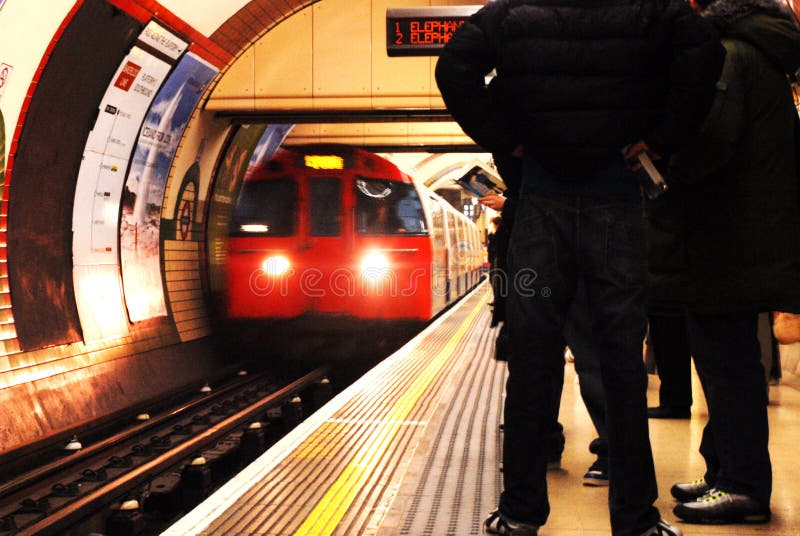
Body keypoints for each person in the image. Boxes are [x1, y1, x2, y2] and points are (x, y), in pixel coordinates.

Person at [436, 1, 725, 535]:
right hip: (615, 195)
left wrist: (507, 137)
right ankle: (635, 519)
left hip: (542, 194)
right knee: (621, 365)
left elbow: (452, 67)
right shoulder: (649, 10)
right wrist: (661, 136)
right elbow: (704, 51)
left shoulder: (510, 12)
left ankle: (521, 513)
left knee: (532, 362)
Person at [645, 0, 800, 525]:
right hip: (738, 236)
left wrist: (666, 167)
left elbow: (712, 142)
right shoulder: (757, 54)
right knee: (723, 358)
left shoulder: (732, 55)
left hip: (727, 237)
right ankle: (723, 473)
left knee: (728, 364)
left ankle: (741, 485)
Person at [646, 310, 693, 419]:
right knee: (665, 334)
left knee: (669, 334)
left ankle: (675, 403)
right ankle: (674, 402)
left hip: (669, 304)